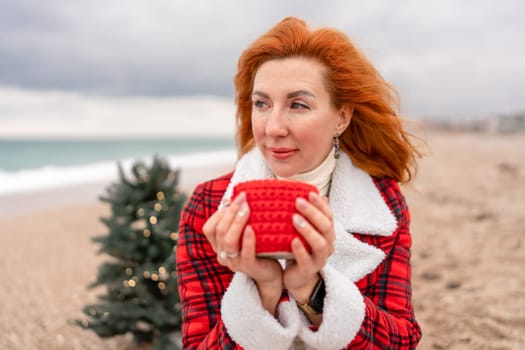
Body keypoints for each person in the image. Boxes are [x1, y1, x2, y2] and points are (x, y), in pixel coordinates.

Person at [176, 17, 422, 349]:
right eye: (262, 104)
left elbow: (401, 342)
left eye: (298, 105)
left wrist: (312, 289)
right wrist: (264, 289)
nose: (273, 127)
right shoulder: (210, 205)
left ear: (341, 118)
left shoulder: (381, 204)